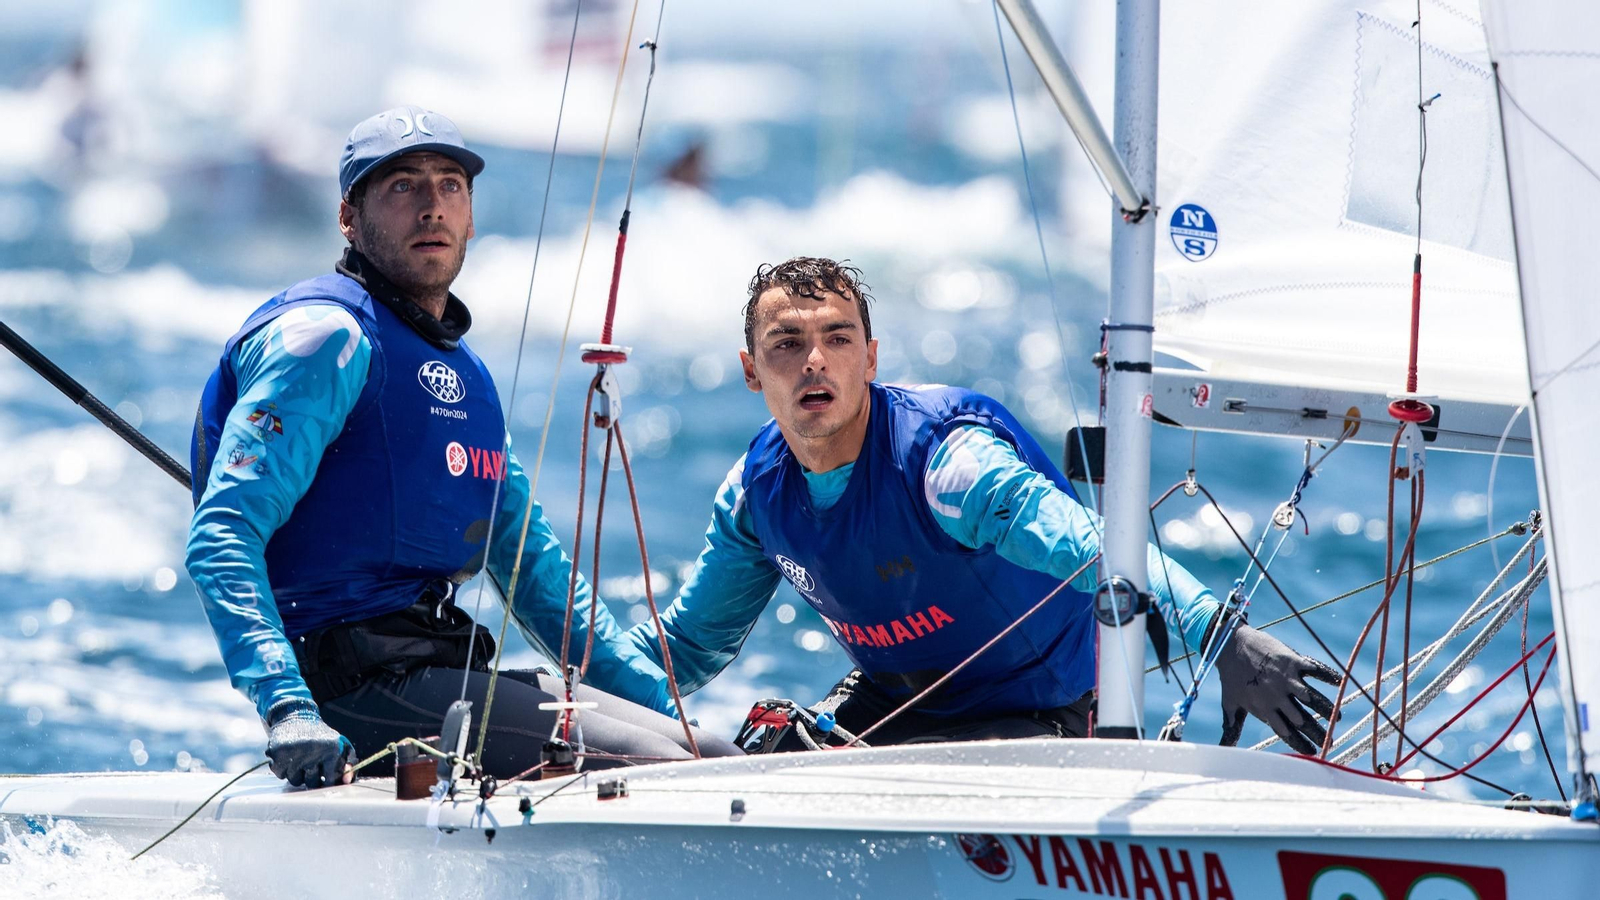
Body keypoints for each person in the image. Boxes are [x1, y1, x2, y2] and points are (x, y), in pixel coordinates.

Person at [186, 107, 738, 789]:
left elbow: (536, 574)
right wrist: (287, 708)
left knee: (714, 756)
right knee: (668, 772)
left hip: (439, 672)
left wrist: (667, 710)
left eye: (450, 185)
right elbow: (222, 533)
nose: (432, 207)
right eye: (402, 186)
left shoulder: (467, 374)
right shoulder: (325, 339)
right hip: (347, 692)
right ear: (348, 217)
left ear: (471, 216)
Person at [620, 257, 1340, 751]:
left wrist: (1219, 633)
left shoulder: (948, 466)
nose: (815, 361)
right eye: (787, 344)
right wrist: (575, 680)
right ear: (751, 370)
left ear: (870, 358)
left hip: (1037, 712)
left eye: (837, 338)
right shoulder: (755, 494)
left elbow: (1093, 548)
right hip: (899, 705)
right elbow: (686, 651)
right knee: (761, 760)